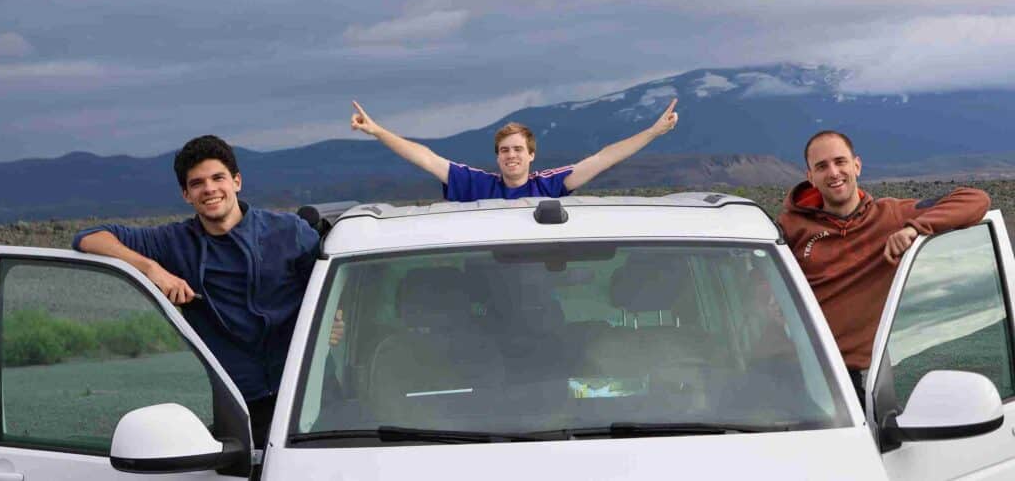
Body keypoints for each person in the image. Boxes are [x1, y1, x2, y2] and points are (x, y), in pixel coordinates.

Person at [71, 134, 341, 447]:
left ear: (236, 181)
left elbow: (333, 289)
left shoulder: (289, 232)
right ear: (186, 194)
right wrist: (152, 269)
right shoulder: (175, 242)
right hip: (240, 406)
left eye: (217, 178)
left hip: (312, 392)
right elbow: (89, 237)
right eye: (197, 183)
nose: (209, 189)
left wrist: (335, 319)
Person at [777, 130, 990, 405]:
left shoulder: (890, 215)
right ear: (811, 177)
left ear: (857, 165)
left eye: (840, 162)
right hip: (802, 371)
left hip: (862, 376)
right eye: (822, 166)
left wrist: (915, 229)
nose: (833, 173)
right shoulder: (791, 228)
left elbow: (975, 199)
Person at [349, 98, 680, 201]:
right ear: (497, 156)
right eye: (505, 150)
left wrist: (653, 132)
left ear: (531, 155)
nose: (512, 155)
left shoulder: (548, 185)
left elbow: (603, 158)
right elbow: (425, 158)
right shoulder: (477, 185)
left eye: (518, 149)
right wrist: (377, 131)